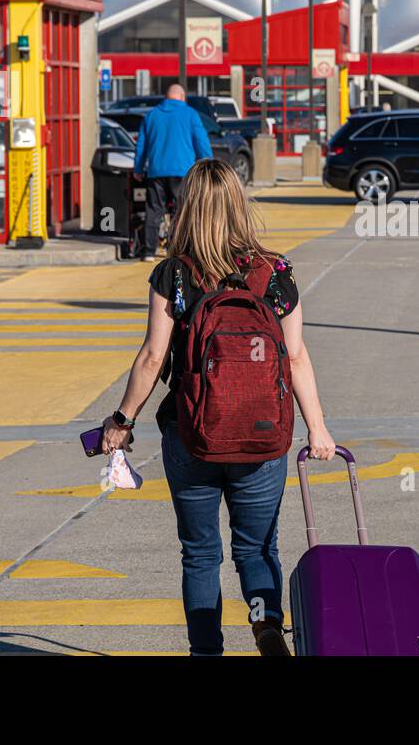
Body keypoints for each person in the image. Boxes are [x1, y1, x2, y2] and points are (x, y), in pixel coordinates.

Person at [100, 158, 337, 657]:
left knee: (201, 553)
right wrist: (318, 429)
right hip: (262, 436)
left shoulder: (174, 274)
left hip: (192, 436)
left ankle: (206, 651)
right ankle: (266, 621)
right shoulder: (276, 272)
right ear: (238, 203)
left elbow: (152, 358)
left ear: (188, 208)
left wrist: (122, 421)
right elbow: (295, 356)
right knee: (256, 548)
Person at [132, 84, 213, 261]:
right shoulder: (190, 114)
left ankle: (148, 251)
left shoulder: (152, 115)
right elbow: (201, 141)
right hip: (182, 171)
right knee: (182, 211)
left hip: (156, 171)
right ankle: (179, 249)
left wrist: (138, 168)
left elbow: (141, 146)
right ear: (182, 97)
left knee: (153, 211)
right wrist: (208, 164)